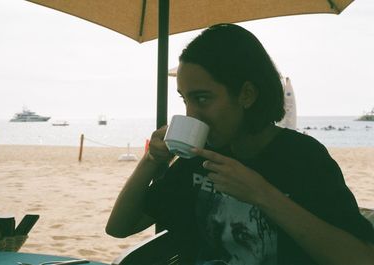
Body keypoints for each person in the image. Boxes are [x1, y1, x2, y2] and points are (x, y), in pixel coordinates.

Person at [106, 24, 374, 265]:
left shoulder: (303, 158)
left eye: (202, 99)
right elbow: (120, 227)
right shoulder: (199, 158)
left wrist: (263, 194)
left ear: (247, 94)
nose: (191, 115)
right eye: (185, 100)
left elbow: (361, 257)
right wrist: (152, 161)